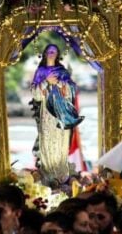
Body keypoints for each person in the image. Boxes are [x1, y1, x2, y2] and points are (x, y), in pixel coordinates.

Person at [31, 44, 83, 180]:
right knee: (47, 143)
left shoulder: (62, 71)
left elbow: (71, 89)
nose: (51, 53)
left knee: (61, 143)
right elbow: (36, 94)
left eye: (54, 51)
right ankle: (48, 174)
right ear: (44, 53)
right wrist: (46, 82)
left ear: (58, 53)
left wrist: (61, 84)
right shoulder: (40, 71)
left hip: (62, 113)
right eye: (49, 51)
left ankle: (61, 176)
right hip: (47, 114)